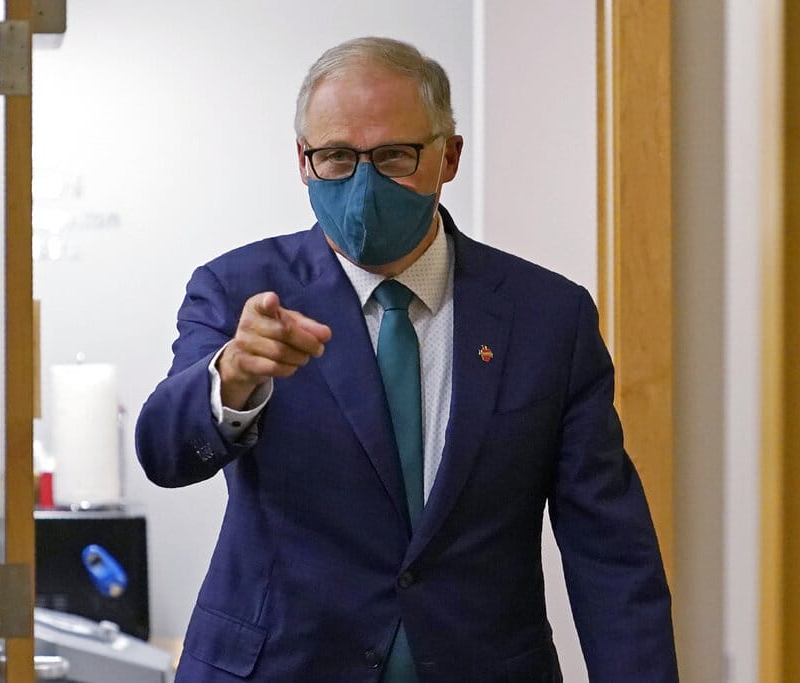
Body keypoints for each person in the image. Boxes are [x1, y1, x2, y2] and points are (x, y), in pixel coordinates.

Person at [136, 36, 677, 682]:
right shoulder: (239, 291)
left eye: (393, 156)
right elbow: (164, 454)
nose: (362, 183)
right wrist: (231, 378)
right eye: (336, 156)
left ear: (448, 156)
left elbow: (610, 552)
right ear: (303, 163)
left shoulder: (547, 319)